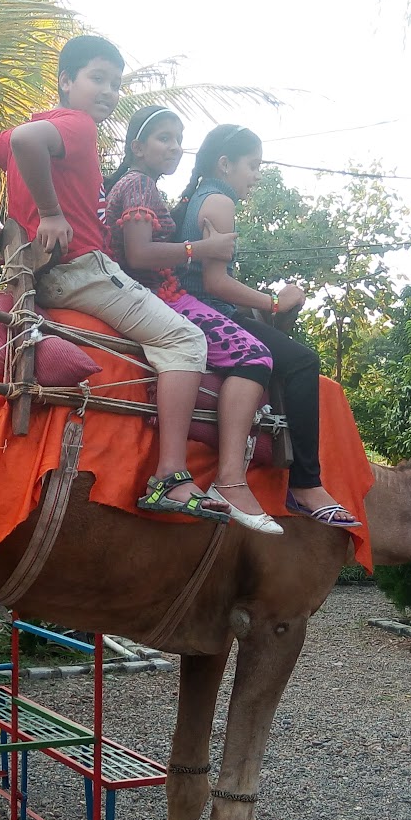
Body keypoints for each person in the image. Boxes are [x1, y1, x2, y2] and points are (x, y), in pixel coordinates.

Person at [0, 36, 232, 523]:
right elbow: (25, 142)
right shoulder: (76, 125)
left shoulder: (40, 126)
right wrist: (51, 212)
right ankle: (170, 476)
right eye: (97, 78)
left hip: (36, 275)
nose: (108, 91)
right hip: (83, 271)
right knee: (186, 340)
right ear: (66, 81)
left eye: (115, 84)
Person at [170, 125, 359, 530]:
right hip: (208, 309)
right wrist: (274, 302)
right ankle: (305, 484)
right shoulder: (220, 201)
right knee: (303, 361)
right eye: (253, 166)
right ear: (225, 164)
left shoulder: (200, 196)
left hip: (201, 305)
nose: (257, 175)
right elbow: (215, 284)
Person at [103, 106, 281, 534]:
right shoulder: (140, 184)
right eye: (163, 138)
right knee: (256, 356)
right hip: (158, 296)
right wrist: (199, 250)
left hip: (157, 293)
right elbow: (139, 255)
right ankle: (228, 479)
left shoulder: (139, 185)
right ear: (137, 147)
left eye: (178, 139)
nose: (174, 147)